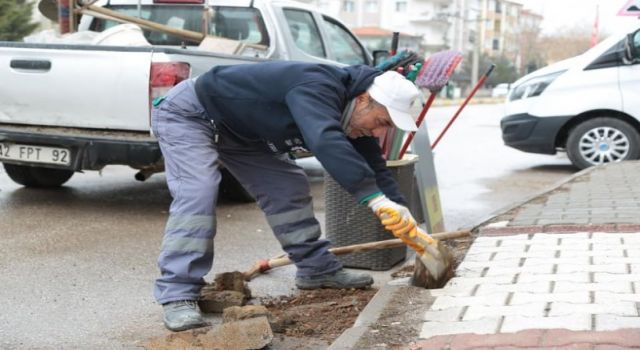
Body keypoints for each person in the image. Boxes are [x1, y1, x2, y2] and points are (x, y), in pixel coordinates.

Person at [151, 60, 422, 332]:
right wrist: (375, 200)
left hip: (243, 134)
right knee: (198, 190)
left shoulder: (354, 113)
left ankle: (317, 269)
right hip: (191, 114)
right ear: (364, 99)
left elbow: (375, 167)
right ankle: (178, 292)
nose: (378, 132)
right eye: (381, 122)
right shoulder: (317, 86)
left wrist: (401, 212)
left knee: (287, 185)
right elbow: (325, 140)